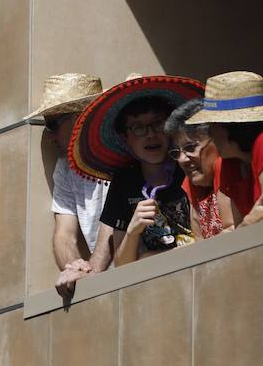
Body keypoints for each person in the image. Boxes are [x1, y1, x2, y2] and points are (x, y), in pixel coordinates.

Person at [69, 75, 205, 267]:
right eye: (138, 127)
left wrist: (147, 257)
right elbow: (122, 264)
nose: (150, 134)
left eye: (158, 123)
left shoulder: (189, 167)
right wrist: (133, 230)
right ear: (125, 138)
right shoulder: (124, 182)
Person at [185, 71, 263, 211]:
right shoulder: (235, 161)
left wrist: (249, 224)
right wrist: (248, 224)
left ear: (230, 125)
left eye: (212, 124)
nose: (209, 132)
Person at [165, 99, 263, 238]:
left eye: (190, 148)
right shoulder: (192, 180)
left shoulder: (228, 164)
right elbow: (200, 241)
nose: (182, 159)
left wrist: (246, 225)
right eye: (176, 153)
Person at [29, 74, 106, 298]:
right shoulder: (65, 168)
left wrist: (91, 272)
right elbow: (64, 235)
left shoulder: (120, 155)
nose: (50, 137)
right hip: (105, 283)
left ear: (80, 117)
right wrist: (76, 269)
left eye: (52, 125)